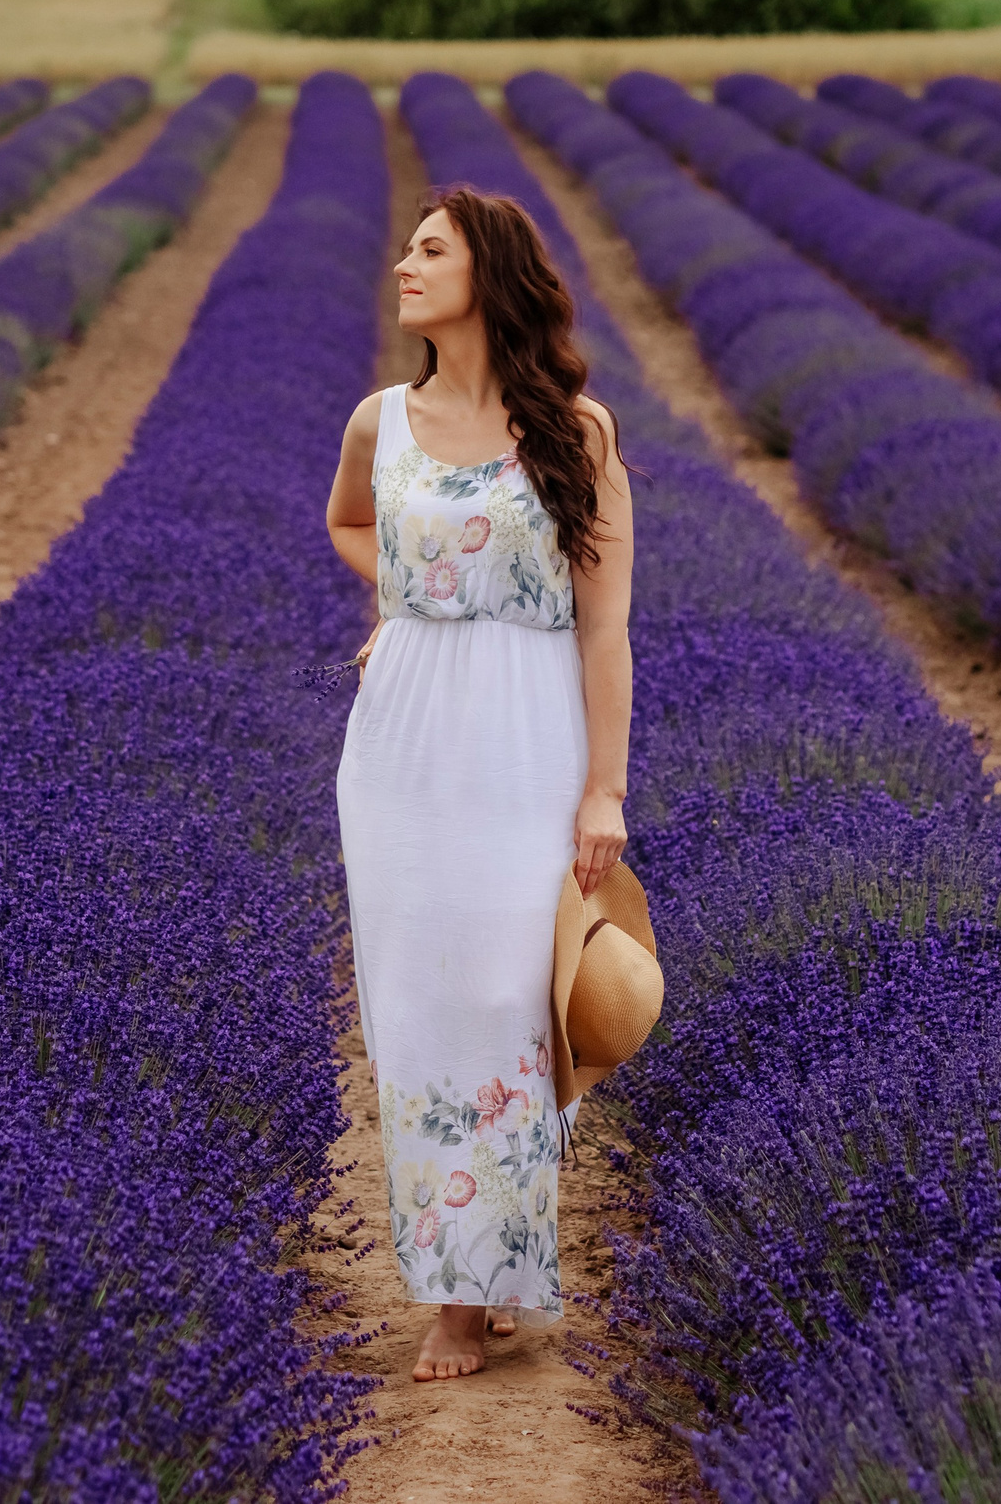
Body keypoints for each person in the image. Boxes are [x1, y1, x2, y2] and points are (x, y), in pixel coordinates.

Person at [325, 185, 636, 1384]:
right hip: (401, 746)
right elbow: (350, 525)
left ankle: (490, 1266)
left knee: (511, 1001)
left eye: (430, 250)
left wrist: (602, 791)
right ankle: (459, 1294)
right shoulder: (379, 422)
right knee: (418, 1004)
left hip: (526, 735)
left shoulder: (578, 433)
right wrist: (403, 604)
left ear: (488, 275)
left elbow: (606, 631)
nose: (403, 265)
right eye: (404, 246)